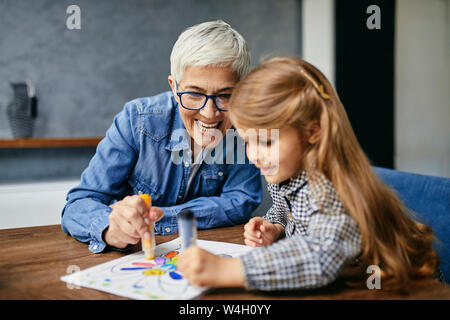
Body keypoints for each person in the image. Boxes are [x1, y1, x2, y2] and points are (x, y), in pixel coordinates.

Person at [178, 57, 441, 290]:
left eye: (266, 142)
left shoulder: (328, 188)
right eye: (248, 141)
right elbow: (286, 210)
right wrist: (275, 227)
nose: (253, 155)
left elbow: (322, 255)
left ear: (312, 132)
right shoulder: (286, 172)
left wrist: (227, 270)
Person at [61, 20, 262, 253]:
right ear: (174, 88)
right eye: (194, 94)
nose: (209, 113)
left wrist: (157, 218)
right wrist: (108, 227)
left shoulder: (245, 126)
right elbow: (78, 205)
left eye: (226, 95)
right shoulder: (136, 120)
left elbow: (242, 200)